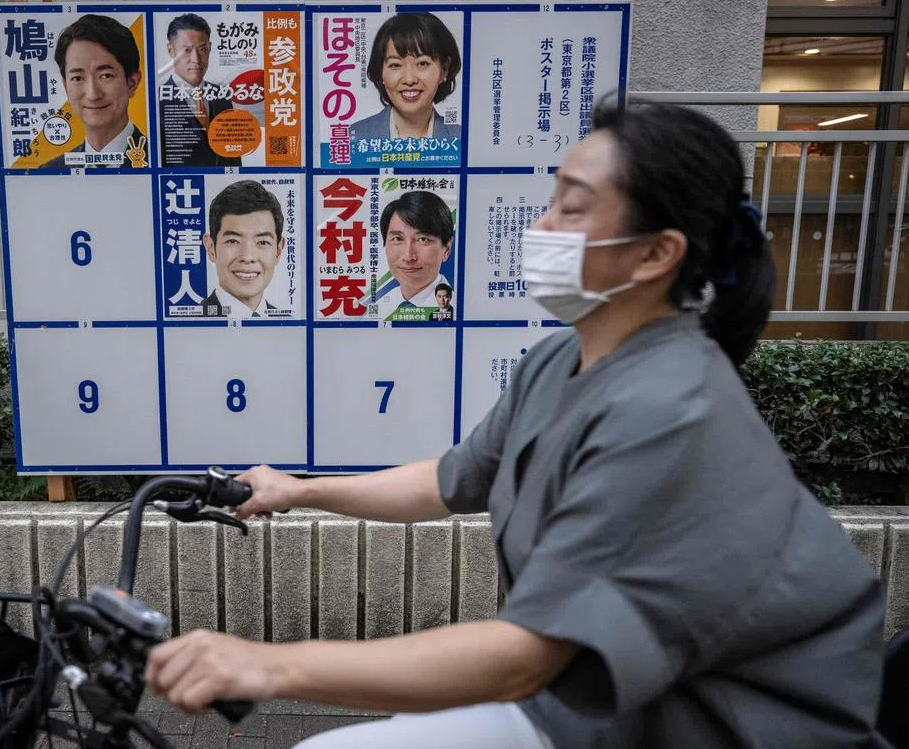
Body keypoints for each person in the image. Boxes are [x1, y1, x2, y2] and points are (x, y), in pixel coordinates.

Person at [144, 99, 886, 748]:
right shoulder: (561, 359)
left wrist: (270, 664)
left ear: (657, 253)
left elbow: (526, 655)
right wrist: (296, 490)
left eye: (572, 205)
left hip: (715, 726)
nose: (541, 225)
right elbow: (449, 479)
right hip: (595, 711)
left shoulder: (673, 407)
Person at [41, 14, 145, 169]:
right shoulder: (51, 171)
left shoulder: (168, 163)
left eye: (105, 76)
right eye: (77, 78)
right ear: (66, 87)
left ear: (132, 83)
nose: (93, 94)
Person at [349, 13, 462, 144]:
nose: (409, 80)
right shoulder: (352, 138)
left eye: (422, 63)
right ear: (381, 72)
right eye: (395, 65)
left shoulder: (463, 139)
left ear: (444, 69)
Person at [158, 13, 240, 167]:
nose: (196, 59)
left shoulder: (221, 95)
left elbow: (233, 157)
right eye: (187, 50)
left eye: (202, 49)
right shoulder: (156, 100)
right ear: (171, 50)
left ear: (210, 48)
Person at [200, 180, 288, 318]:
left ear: (278, 250)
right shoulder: (188, 325)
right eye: (233, 241)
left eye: (263, 242)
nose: (247, 257)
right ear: (211, 247)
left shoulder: (289, 325)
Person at [373, 190, 454, 319]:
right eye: (398, 239)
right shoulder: (378, 307)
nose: (408, 256)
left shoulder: (458, 310)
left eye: (423, 239)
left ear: (446, 249)